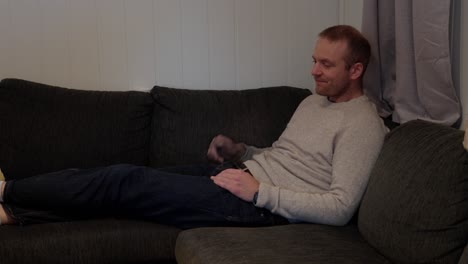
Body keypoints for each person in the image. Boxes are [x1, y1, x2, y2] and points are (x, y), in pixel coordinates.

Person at [0, 25, 388, 228]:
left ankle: (8, 189)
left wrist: (260, 193)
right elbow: (284, 157)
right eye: (314, 60)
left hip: (261, 208)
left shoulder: (364, 125)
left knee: (124, 181)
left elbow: (339, 208)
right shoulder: (312, 101)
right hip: (240, 177)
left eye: (326, 65)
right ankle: (14, 213)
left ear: (356, 70)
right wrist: (240, 152)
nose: (314, 71)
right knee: (118, 189)